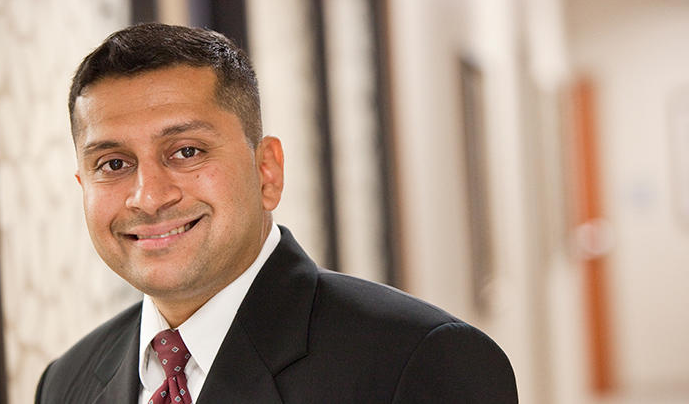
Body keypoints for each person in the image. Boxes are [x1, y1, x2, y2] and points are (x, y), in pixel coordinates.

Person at [35, 23, 518, 404]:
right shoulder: (65, 383)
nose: (148, 196)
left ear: (267, 171)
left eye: (186, 152)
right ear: (83, 186)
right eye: (113, 164)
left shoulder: (418, 361)